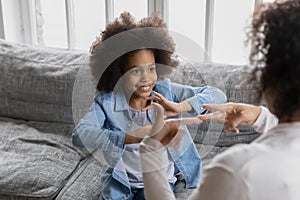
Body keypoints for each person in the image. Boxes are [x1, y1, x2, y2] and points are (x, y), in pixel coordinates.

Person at [140, 0, 300, 199]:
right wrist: (261, 116)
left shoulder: (238, 170)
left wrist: (150, 151)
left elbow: (213, 93)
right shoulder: (109, 101)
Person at [72, 12, 226, 200]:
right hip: (122, 181)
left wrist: (180, 107)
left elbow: (218, 95)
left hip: (159, 179)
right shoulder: (107, 102)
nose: (146, 78)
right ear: (117, 73)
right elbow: (80, 134)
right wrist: (134, 136)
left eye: (151, 69)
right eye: (136, 71)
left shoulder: (166, 92)